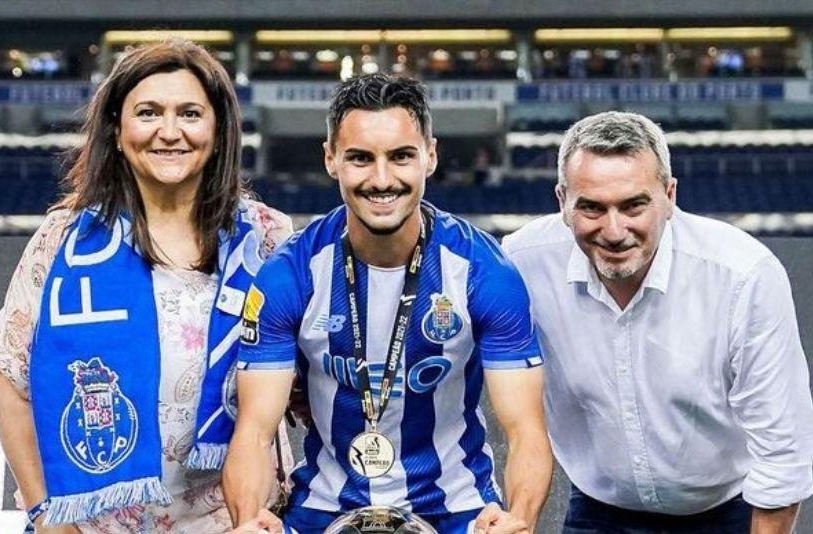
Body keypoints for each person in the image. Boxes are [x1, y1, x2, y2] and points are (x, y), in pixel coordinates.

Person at [222, 73, 553, 534]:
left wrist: (518, 518)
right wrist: (248, 520)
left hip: (458, 512)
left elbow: (525, 431)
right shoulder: (289, 274)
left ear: (430, 156)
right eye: (360, 158)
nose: (382, 180)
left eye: (401, 157)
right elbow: (255, 433)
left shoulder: (484, 273)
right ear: (331, 159)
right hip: (322, 510)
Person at [0, 40, 293, 533]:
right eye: (148, 112)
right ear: (117, 127)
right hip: (88, 527)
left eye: (190, 113)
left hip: (230, 522)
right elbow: (11, 384)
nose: (169, 132)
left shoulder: (269, 238)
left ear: (218, 130)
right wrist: (48, 519)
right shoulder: (63, 241)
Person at [502, 111, 813, 533]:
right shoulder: (521, 263)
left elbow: (782, 453)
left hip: (726, 512)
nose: (614, 231)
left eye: (634, 205)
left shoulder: (744, 275)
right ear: (562, 202)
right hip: (599, 511)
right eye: (591, 208)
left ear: (669, 195)